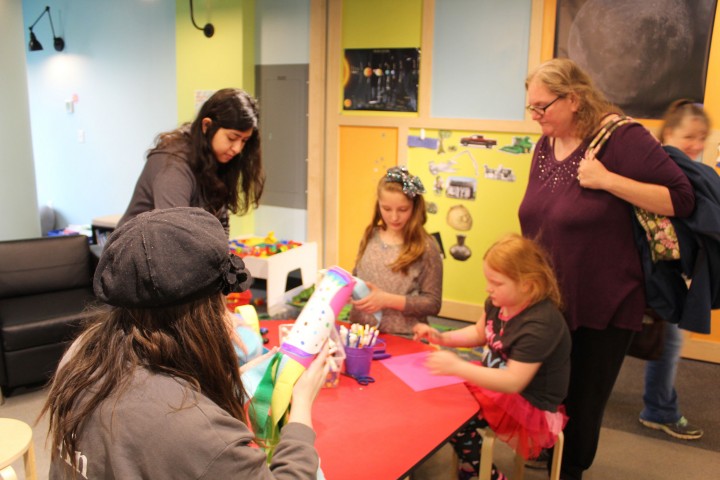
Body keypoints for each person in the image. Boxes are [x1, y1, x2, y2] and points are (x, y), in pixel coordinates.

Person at [41, 207, 330, 479]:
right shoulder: (197, 431)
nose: (227, 315)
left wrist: (234, 379)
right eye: (221, 303)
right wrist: (302, 405)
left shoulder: (82, 353)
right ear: (204, 314)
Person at [519, 58, 695, 480]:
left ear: (574, 99)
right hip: (550, 299)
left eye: (543, 107)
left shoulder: (622, 139)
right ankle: (552, 454)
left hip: (603, 300)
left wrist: (608, 180)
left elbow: (681, 199)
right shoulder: (546, 143)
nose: (536, 117)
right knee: (548, 391)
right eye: (531, 108)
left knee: (583, 401)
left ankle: (572, 470)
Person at [413, 233, 571, 480]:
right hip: (495, 383)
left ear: (527, 285)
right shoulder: (499, 302)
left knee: (456, 421)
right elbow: (479, 333)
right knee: (445, 406)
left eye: (496, 283)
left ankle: (488, 474)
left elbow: (513, 381)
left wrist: (457, 366)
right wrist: (441, 337)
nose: (488, 288)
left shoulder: (541, 323)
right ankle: (472, 466)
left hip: (527, 401)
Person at [638, 99, 711, 440]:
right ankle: (659, 409)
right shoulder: (663, 168)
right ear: (669, 132)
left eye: (703, 138)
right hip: (652, 269)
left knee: (666, 338)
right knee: (668, 340)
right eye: (690, 136)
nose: (696, 145)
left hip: (664, 269)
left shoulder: (680, 169)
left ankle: (659, 405)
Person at [119, 88, 265, 234]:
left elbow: (221, 226)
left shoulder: (217, 158)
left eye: (244, 141)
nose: (237, 149)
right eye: (232, 138)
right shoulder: (173, 163)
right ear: (207, 125)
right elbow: (175, 235)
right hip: (137, 252)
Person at [349, 166, 443, 335]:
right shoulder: (371, 234)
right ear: (378, 205)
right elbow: (357, 276)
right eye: (386, 209)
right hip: (361, 333)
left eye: (403, 210)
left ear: (415, 207)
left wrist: (386, 300)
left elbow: (432, 304)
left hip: (402, 336)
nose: (394, 217)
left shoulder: (426, 247)